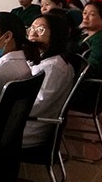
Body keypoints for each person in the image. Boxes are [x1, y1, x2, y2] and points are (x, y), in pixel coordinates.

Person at [22, 14, 74, 148]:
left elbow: (38, 104)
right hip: (23, 120)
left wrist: (0, 108)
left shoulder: (53, 67)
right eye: (32, 28)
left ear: (55, 34)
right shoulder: (41, 57)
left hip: (28, 128)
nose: (33, 32)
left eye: (40, 29)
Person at [78, 1, 102, 77]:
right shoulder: (83, 35)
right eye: (84, 13)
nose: (85, 17)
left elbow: (92, 67)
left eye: (92, 14)